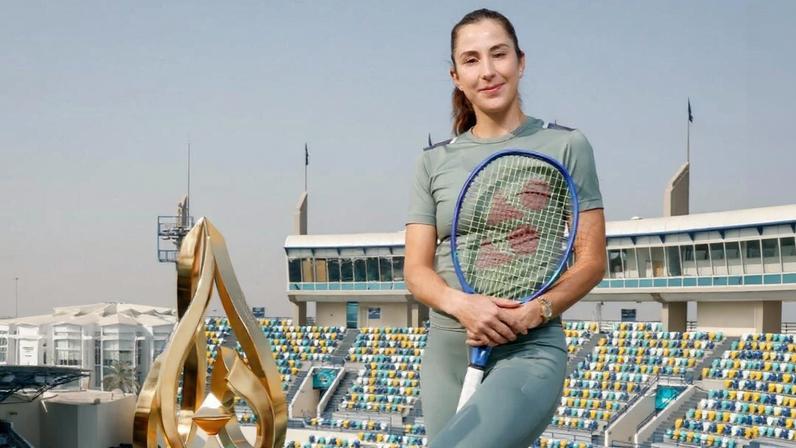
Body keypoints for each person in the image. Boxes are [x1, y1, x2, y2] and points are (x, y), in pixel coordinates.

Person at [404, 8, 607, 448]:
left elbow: (591, 261)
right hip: (448, 348)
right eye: (472, 60)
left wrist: (535, 312)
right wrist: (464, 306)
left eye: (499, 54)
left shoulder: (567, 145)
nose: (488, 71)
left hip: (529, 346)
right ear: (456, 76)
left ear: (521, 61)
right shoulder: (432, 161)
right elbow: (416, 271)